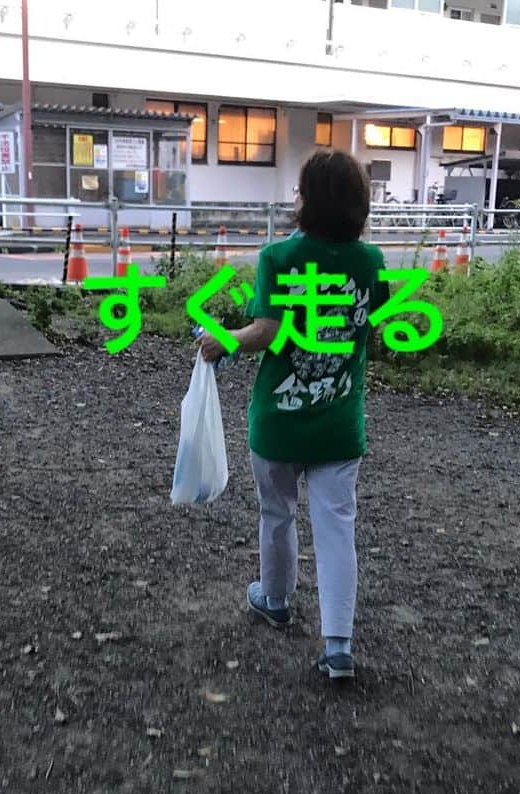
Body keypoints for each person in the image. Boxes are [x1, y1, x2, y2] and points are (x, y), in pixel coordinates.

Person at [199, 149, 388, 680]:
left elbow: (264, 332)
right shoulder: (370, 261)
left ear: (306, 199)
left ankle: (276, 600)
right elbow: (375, 329)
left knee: (276, 513)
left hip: (279, 420)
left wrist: (223, 341)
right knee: (336, 527)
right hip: (339, 421)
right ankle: (338, 645)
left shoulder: (278, 257)